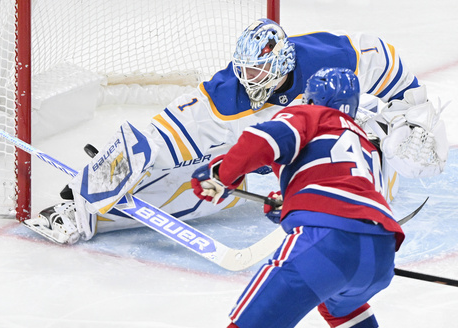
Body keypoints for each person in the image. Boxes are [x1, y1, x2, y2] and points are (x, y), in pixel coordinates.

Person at [23, 18, 446, 245]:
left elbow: (382, 57)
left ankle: (352, 201)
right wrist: (102, 178)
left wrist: (413, 105)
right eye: (245, 69)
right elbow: (156, 141)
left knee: (400, 148)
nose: (251, 78)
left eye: (260, 69)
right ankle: (86, 214)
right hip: (265, 161)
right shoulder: (224, 96)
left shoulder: (330, 56)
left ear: (283, 63)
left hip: (341, 145)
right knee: (193, 189)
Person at [191, 67, 405, 328]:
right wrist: (292, 201)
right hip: (381, 252)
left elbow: (262, 139)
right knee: (341, 308)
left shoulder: (313, 115)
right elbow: (350, 192)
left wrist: (222, 174)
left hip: (329, 239)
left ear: (312, 99)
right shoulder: (366, 144)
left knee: (252, 323)